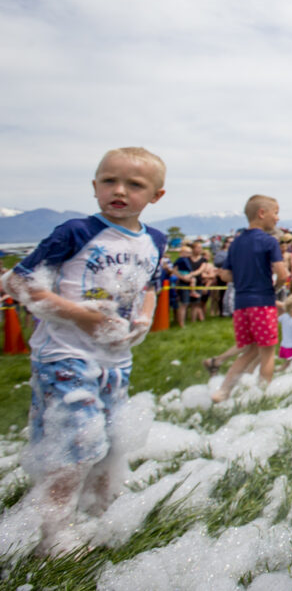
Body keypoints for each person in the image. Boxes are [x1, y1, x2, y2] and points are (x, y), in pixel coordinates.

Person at [1, 147, 167, 555]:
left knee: (109, 439)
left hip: (116, 360)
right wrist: (80, 316)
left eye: (134, 185)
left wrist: (143, 320)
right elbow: (18, 283)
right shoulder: (75, 232)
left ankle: (94, 509)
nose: (120, 191)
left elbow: (149, 287)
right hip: (63, 353)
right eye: (109, 181)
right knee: (76, 441)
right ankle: (52, 530)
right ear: (94, 186)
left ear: (156, 196)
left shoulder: (155, 240)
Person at [211, 195, 289, 403]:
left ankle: (223, 391)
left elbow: (226, 275)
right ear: (261, 213)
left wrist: (245, 275)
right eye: (276, 212)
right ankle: (263, 394)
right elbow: (282, 275)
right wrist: (274, 289)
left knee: (249, 350)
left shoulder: (235, 243)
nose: (278, 218)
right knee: (268, 352)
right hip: (263, 302)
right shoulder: (269, 241)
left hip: (241, 305)